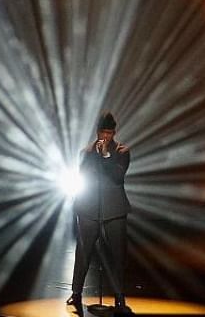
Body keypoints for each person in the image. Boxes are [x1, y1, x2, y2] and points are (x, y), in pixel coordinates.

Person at [68, 111, 132, 315]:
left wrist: (106, 156)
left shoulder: (122, 151)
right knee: (84, 252)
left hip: (114, 209)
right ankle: (76, 293)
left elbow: (118, 177)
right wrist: (95, 155)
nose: (106, 137)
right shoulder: (86, 152)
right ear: (97, 132)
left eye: (110, 133)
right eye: (103, 132)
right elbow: (82, 175)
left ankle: (120, 296)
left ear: (114, 133)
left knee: (118, 254)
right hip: (88, 208)